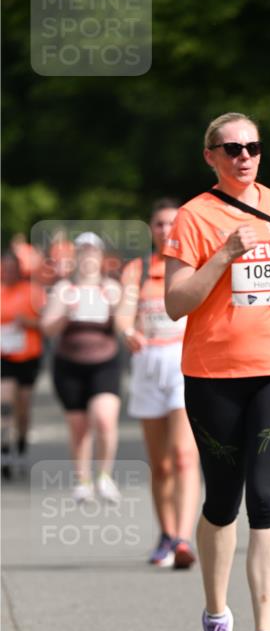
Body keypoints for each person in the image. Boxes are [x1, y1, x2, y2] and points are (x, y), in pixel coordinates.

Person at [163, 111, 270, 631]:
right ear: (210, 156)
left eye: (252, 146)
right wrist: (224, 254)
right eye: (231, 148)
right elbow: (176, 302)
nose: (244, 156)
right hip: (214, 373)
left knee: (266, 498)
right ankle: (216, 615)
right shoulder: (194, 216)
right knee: (222, 500)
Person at [118, 199, 200, 569]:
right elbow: (123, 312)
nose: (166, 230)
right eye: (159, 224)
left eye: (172, 224)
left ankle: (183, 538)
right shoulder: (137, 270)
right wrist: (126, 330)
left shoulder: (193, 265)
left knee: (183, 455)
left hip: (184, 363)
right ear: (151, 229)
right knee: (161, 463)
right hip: (148, 365)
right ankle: (166, 534)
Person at [41, 232, 123, 503]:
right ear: (75, 256)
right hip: (69, 365)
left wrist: (116, 309)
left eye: (93, 251)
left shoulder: (111, 288)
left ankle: (105, 476)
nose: (88, 256)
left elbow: (124, 326)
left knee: (104, 418)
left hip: (105, 363)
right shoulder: (64, 288)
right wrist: (66, 312)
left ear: (100, 256)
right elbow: (47, 328)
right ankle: (83, 480)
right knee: (78, 427)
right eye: (83, 251)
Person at [1, 249, 46, 478]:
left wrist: (27, 322)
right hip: (4, 358)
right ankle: (5, 451)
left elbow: (47, 324)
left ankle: (21, 448)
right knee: (5, 403)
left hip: (28, 357)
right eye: (4, 269)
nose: (8, 273)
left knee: (23, 408)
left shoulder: (33, 291)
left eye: (12, 269)